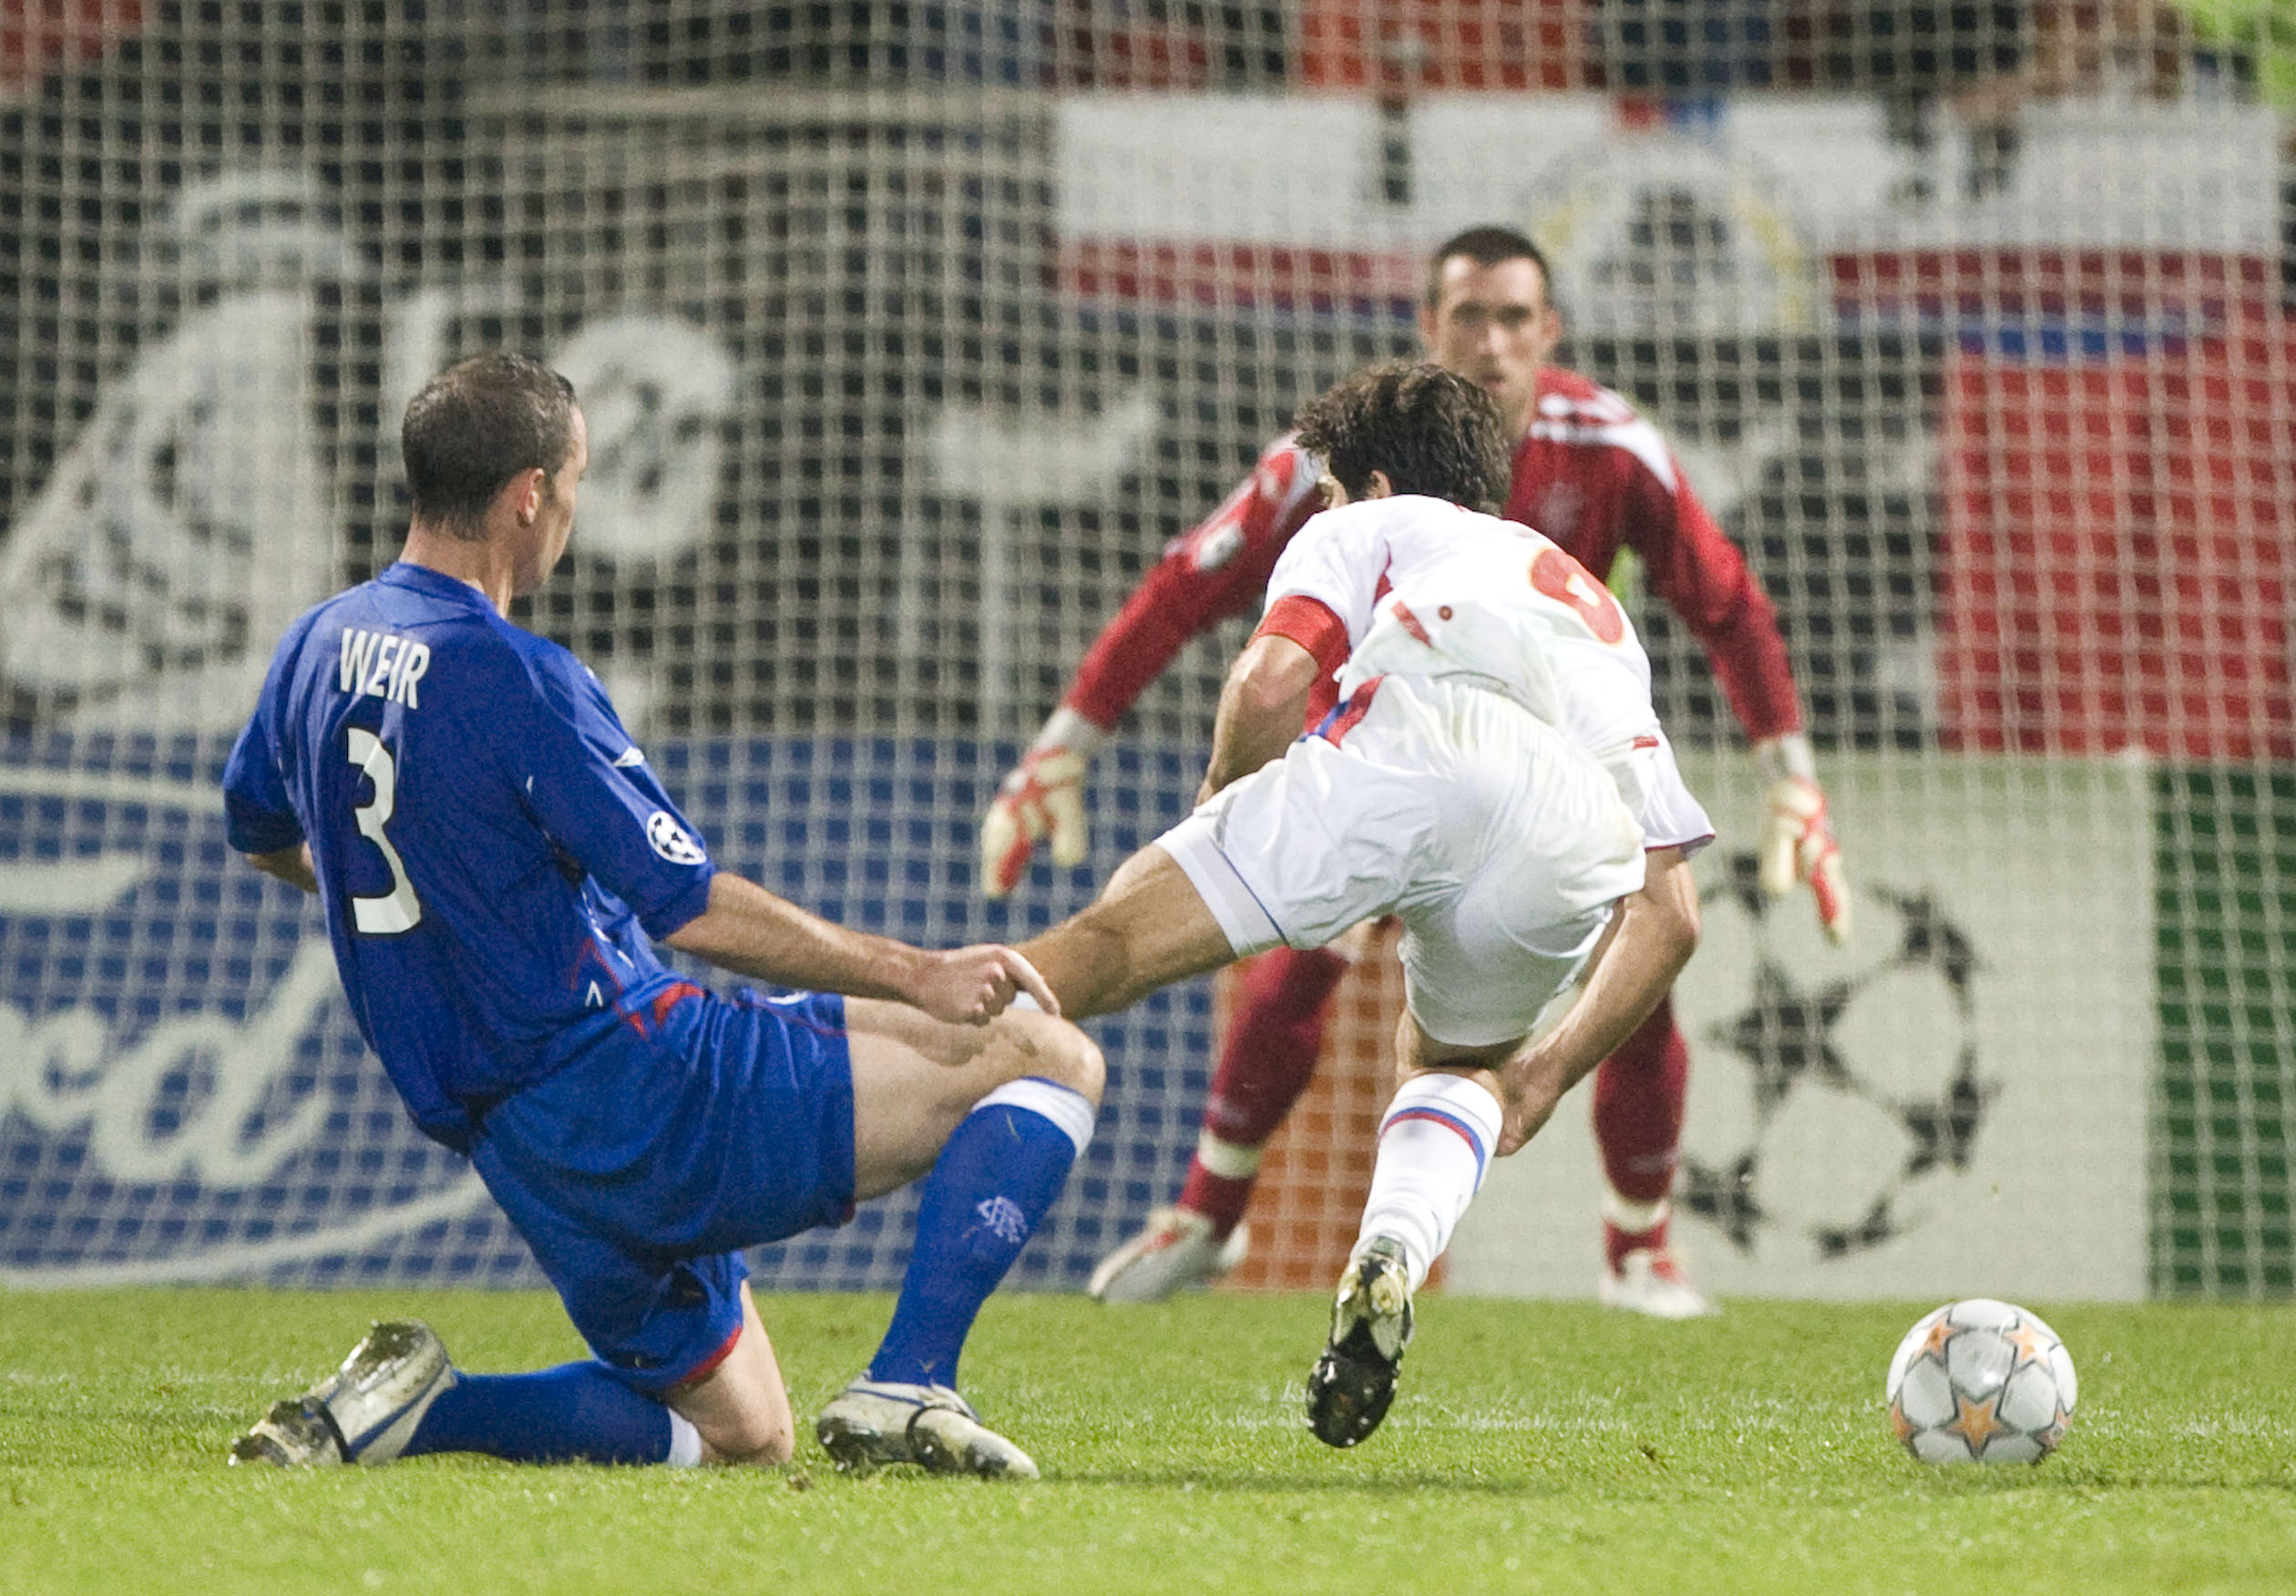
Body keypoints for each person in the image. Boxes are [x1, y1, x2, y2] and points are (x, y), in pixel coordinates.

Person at [222, 352, 1102, 1481]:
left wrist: (439, 906)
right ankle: (909, 1380)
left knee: (747, 1433)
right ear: (528, 495)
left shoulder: (313, 647)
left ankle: (409, 1412)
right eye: (574, 488)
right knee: (1048, 1054)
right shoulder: (512, 676)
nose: (569, 520)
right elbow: (689, 906)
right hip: (642, 1090)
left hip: (518, 1147)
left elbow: (262, 829)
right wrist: (915, 972)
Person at [983, 225, 1846, 1317]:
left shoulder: (1537, 463)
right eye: (1467, 318)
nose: (1491, 341)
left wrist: (1210, 803)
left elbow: (1727, 605)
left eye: (1514, 319)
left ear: (1551, 333)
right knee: (1504, 1021)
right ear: (1430, 328)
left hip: (1392, 758)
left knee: (1135, 942)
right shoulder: (1545, 568)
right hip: (1553, 798)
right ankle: (1250, 1221)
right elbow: (1188, 581)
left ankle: (1634, 1250)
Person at [1011, 361, 1709, 1447]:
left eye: (1332, 490)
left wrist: (1213, 822)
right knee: (1451, 1068)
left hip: (1409, 744)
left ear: (1371, 482)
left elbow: (1272, 683)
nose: (1326, 507)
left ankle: (892, 1072)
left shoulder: (1366, 525)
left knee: (1108, 941)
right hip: (1570, 830)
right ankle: (1391, 1247)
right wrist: (1541, 1079)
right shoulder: (1593, 602)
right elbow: (1672, 915)